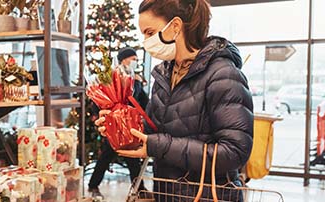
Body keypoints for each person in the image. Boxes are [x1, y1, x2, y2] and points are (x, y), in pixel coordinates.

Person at [95, 0, 254, 201]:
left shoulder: (224, 75)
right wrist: (121, 126)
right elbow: (156, 130)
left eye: (150, 33)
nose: (145, 41)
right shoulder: (164, 75)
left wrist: (158, 146)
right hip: (168, 193)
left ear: (176, 27)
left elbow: (234, 152)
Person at [87, 48, 149, 198]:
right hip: (114, 124)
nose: (134, 61)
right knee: (108, 155)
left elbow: (141, 100)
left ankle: (139, 188)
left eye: (136, 59)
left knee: (130, 157)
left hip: (130, 123)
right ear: (123, 59)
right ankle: (93, 185)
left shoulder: (135, 79)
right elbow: (100, 99)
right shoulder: (111, 77)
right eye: (132, 58)